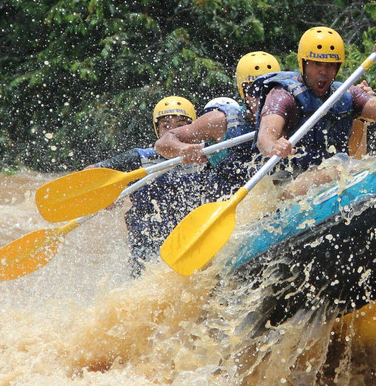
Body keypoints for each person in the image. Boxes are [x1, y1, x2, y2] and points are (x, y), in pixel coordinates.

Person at [255, 27, 376, 172]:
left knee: (350, 166)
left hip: (335, 177)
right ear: (303, 63)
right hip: (290, 184)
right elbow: (265, 138)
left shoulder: (346, 93)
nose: (323, 71)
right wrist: (274, 146)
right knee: (338, 169)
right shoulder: (282, 95)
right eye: (317, 64)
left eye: (330, 65)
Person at [93, 96, 202, 274]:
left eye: (181, 124)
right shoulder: (140, 158)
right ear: (157, 129)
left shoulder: (205, 156)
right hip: (147, 245)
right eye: (166, 125)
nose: (172, 131)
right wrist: (105, 196)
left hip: (189, 243)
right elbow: (92, 174)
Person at [154, 51, 281, 196]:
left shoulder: (294, 117)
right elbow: (163, 143)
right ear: (242, 91)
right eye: (253, 90)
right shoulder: (220, 122)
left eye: (269, 89)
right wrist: (183, 149)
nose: (261, 98)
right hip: (224, 204)